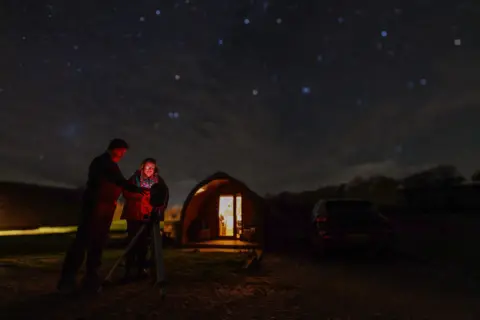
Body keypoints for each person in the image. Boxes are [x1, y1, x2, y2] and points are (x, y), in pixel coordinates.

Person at [57, 138, 147, 293]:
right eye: (121, 152)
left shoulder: (111, 165)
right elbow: (119, 181)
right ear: (115, 149)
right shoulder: (102, 162)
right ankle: (68, 279)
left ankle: (91, 278)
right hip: (95, 208)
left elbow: (118, 181)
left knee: (98, 243)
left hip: (105, 208)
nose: (122, 155)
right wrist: (137, 189)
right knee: (83, 241)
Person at [120, 158, 160, 281]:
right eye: (147, 167)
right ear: (142, 167)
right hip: (134, 215)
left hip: (146, 216)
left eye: (152, 168)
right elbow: (126, 193)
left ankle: (142, 269)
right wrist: (140, 195)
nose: (150, 170)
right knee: (132, 242)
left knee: (144, 244)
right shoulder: (134, 179)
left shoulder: (156, 181)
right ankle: (129, 270)